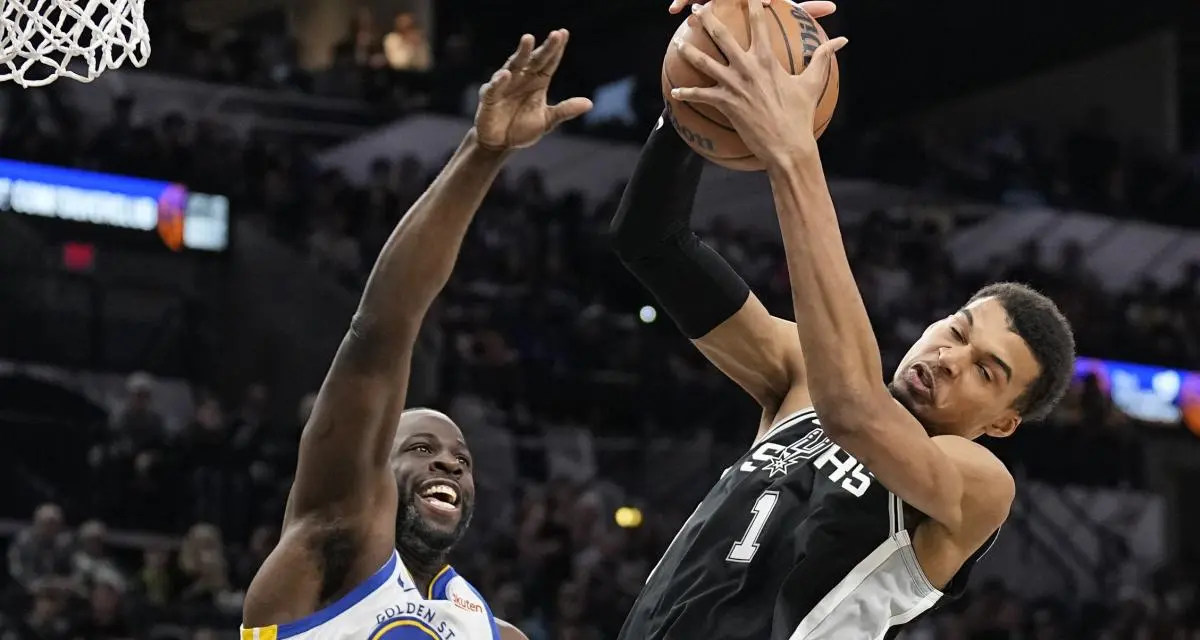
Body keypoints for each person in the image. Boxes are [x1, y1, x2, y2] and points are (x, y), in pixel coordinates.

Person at [609, 1, 1076, 638]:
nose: (949, 357)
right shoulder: (801, 376)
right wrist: (692, 97)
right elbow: (651, 242)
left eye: (986, 372)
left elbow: (854, 410)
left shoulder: (974, 485)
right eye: (958, 331)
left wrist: (794, 155)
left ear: (1003, 421)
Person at [240, 30, 591, 640]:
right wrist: (481, 155)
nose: (450, 465)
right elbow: (380, 331)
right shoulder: (328, 539)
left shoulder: (499, 635)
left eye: (461, 459)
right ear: (372, 464)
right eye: (421, 449)